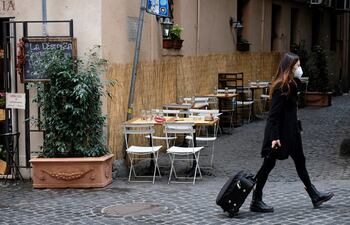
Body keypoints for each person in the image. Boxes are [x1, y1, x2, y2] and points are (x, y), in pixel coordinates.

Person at [250, 52, 334, 213]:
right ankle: (256, 200)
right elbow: (273, 115)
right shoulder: (281, 86)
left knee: (300, 161)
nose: (300, 68)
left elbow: (292, 112)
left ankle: (314, 194)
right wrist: (274, 138)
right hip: (279, 136)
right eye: (297, 65)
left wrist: (298, 128)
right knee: (267, 165)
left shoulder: (291, 85)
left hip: (291, 134)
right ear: (290, 67)